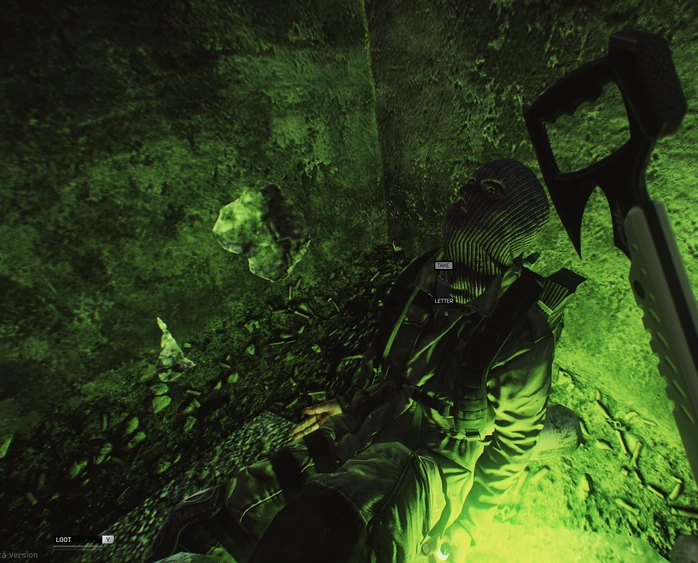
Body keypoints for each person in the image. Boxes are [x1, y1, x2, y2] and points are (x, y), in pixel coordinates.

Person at [148, 158, 584, 563]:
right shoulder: (437, 270)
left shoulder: (522, 337)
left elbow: (512, 446)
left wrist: (467, 528)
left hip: (438, 457)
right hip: (372, 421)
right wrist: (352, 405)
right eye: (471, 182)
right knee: (210, 521)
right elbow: (406, 359)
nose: (465, 192)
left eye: (489, 191)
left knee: (337, 530)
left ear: (513, 225)